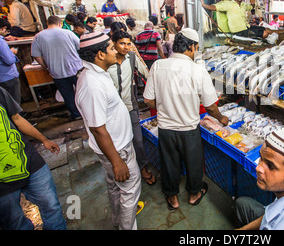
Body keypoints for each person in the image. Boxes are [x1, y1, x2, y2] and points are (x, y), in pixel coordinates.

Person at [143, 28, 229, 210]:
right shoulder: (197, 70)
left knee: (169, 164)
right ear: (191, 46)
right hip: (189, 129)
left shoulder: (158, 65)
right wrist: (221, 118)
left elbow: (148, 100)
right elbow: (211, 106)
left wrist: (165, 106)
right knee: (193, 163)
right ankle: (194, 194)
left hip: (166, 128)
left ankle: (172, 199)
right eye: (196, 47)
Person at [75, 32, 141, 230]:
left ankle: (117, 221)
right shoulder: (92, 84)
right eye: (112, 48)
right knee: (130, 190)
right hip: (117, 149)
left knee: (115, 186)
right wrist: (117, 161)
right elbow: (97, 128)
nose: (117, 51)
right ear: (100, 55)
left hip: (117, 145)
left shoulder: (97, 75)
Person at [0, 86, 66, 230]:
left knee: (51, 207)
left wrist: (44, 139)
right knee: (15, 223)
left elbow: (17, 119)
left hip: (29, 161)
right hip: (2, 183)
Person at [107, 30, 156, 187]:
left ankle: (142, 168)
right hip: (112, 109)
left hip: (130, 105)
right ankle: (121, 167)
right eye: (122, 43)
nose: (126, 47)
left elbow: (146, 73)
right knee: (118, 141)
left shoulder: (132, 57)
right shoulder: (107, 61)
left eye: (129, 43)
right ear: (114, 43)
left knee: (138, 140)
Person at [31, 16, 83, 120]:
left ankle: (76, 115)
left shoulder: (38, 36)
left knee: (68, 95)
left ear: (47, 23)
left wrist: (46, 66)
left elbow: (36, 55)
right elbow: (80, 47)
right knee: (82, 91)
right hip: (75, 68)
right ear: (60, 23)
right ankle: (87, 112)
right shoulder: (67, 33)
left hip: (56, 71)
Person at [200, 0, 268, 40]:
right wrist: (203, 5)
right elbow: (214, 7)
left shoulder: (243, 5)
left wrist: (253, 4)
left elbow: (250, 7)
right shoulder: (228, 4)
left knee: (265, 29)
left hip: (246, 27)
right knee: (265, 34)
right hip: (238, 31)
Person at [0, 29, 20, 104]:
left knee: (6, 103)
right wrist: (12, 52)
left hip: (2, 78)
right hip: (7, 76)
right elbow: (9, 60)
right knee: (14, 104)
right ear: (3, 28)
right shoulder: (1, 42)